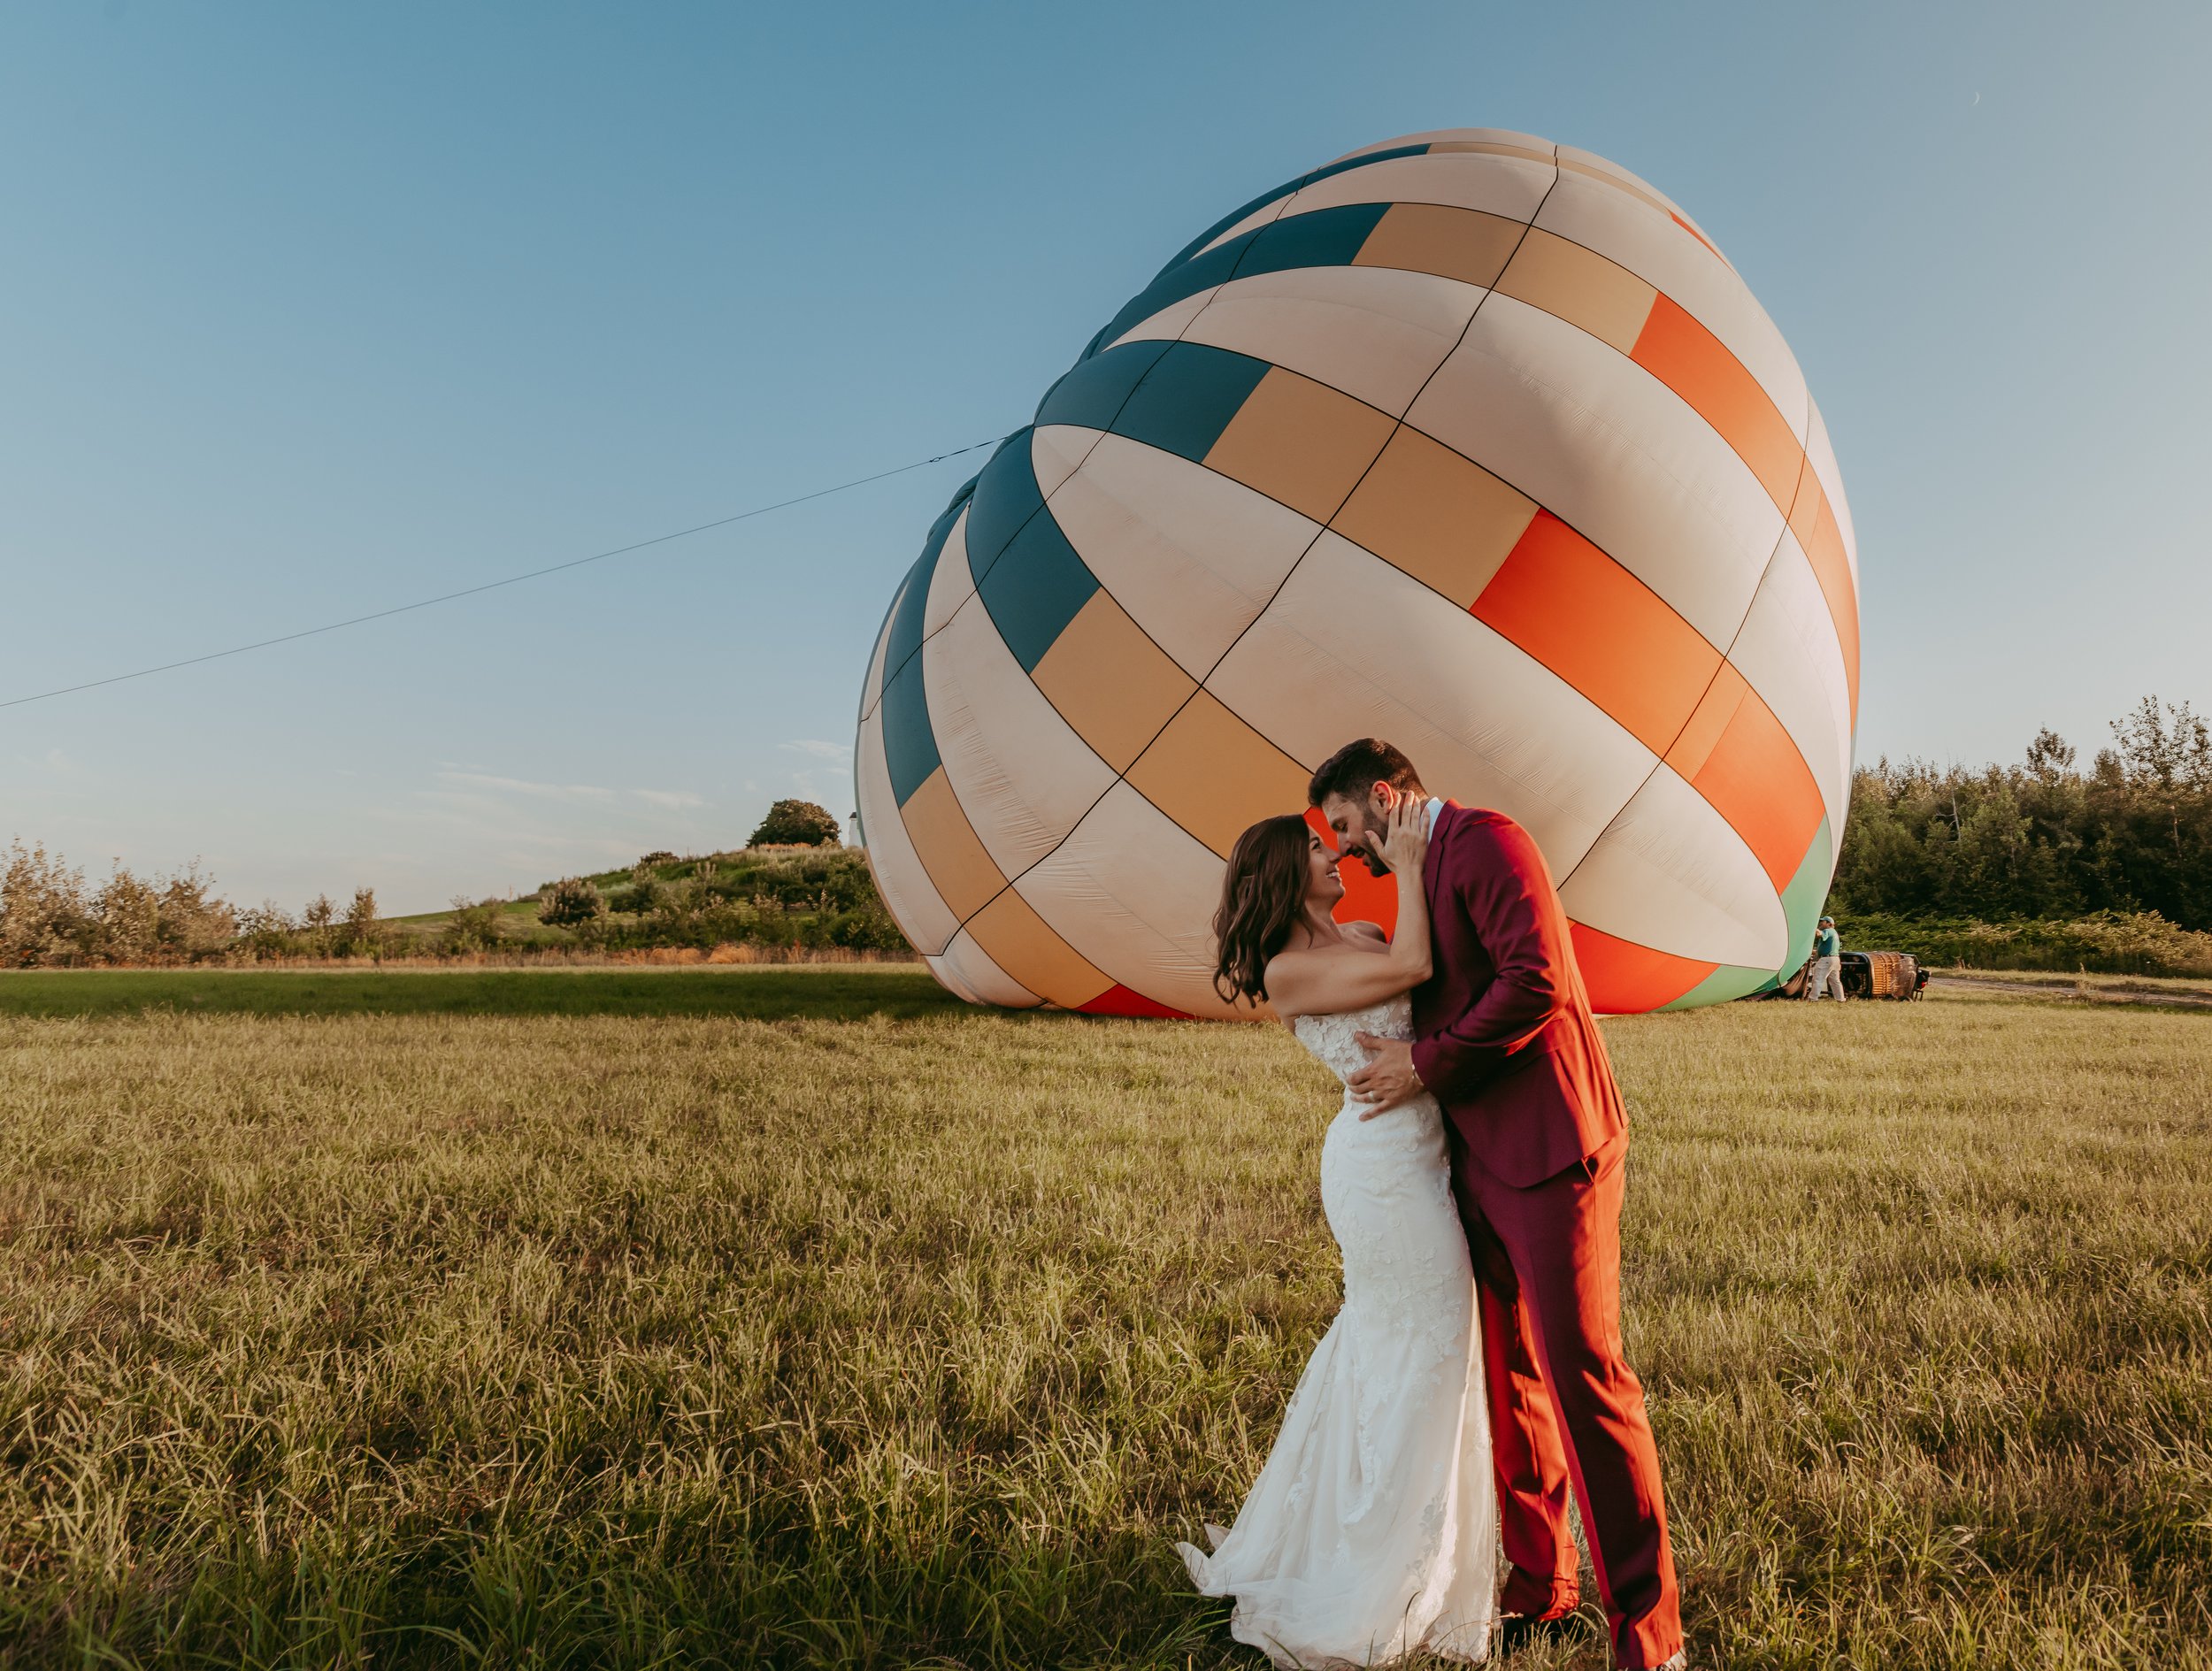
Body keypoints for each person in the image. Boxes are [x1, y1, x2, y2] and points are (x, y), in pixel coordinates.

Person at [1316, 740, 1686, 1671]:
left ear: (1386, 795)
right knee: (1511, 1382)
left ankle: (1650, 1636)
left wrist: (1421, 1064)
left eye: (1348, 826)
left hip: (1553, 1151)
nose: (1347, 849)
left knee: (1584, 1380)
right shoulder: (1413, 867)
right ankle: (1540, 1589)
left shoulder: (1487, 841)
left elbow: (1537, 981)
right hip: (1473, 1162)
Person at [1187, 794, 1497, 1667]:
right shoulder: (1290, 968)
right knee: (1432, 1339)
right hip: (1381, 1172)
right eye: (1317, 852)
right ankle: (1383, 1567)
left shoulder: (1352, 937)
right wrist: (1405, 863)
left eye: (1333, 846)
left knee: (1401, 1343)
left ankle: (1387, 1542)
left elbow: (1419, 970)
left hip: (1423, 1156)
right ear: (1282, 875)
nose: (1334, 857)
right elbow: (1414, 962)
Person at [1805, 916, 1845, 1001]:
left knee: (1818, 979)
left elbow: (1819, 935)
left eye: (1823, 922)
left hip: (1826, 959)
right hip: (1835, 959)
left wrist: (1812, 927)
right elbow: (1826, 948)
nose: (1821, 923)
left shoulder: (1827, 931)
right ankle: (1840, 999)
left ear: (1829, 923)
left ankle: (1813, 999)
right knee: (1835, 981)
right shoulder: (1834, 932)